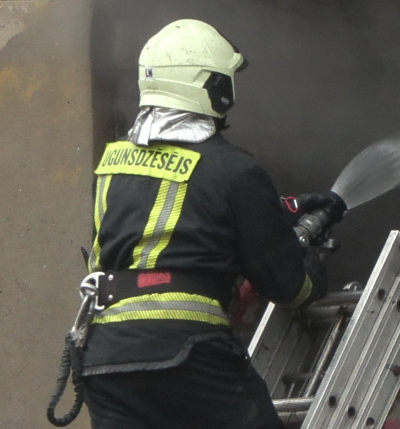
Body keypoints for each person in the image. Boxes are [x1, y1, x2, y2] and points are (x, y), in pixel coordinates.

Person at [80, 19, 340, 429]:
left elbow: (184, 208)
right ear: (211, 87)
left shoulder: (114, 165)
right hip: (185, 355)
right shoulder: (235, 169)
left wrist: (282, 207)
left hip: (105, 358)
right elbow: (288, 289)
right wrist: (310, 265)